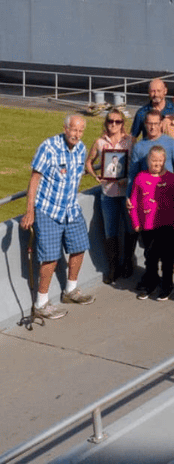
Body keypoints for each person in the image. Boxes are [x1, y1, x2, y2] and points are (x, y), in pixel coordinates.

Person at [20, 115, 95, 320]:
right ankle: (41, 303)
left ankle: (70, 290)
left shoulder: (81, 149)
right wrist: (30, 211)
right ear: (65, 128)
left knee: (80, 246)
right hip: (48, 210)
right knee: (50, 257)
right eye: (73, 130)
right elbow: (34, 180)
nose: (76, 135)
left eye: (80, 131)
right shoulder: (49, 147)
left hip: (71, 208)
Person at [84, 108, 134, 284]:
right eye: (110, 121)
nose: (113, 124)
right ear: (105, 123)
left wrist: (128, 179)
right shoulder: (99, 143)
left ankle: (128, 263)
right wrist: (95, 176)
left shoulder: (130, 142)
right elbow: (88, 162)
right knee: (110, 231)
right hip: (108, 194)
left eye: (117, 121)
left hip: (127, 193)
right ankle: (113, 268)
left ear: (122, 124)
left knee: (130, 229)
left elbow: (137, 164)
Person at [128, 146, 174, 301]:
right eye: (154, 160)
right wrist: (135, 222)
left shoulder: (171, 179)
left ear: (164, 160)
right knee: (150, 257)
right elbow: (134, 202)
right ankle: (150, 283)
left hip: (168, 226)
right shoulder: (140, 178)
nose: (157, 163)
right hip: (148, 226)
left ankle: (167, 285)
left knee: (167, 258)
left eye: (160, 160)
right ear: (148, 161)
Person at [128, 108, 174, 194]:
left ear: (161, 124)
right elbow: (133, 174)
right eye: (150, 123)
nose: (152, 127)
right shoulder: (138, 146)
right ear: (145, 124)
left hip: (168, 191)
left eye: (155, 124)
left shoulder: (172, 143)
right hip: (146, 193)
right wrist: (129, 195)